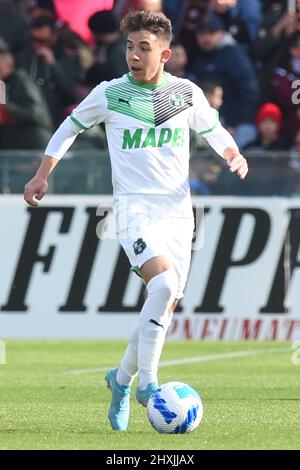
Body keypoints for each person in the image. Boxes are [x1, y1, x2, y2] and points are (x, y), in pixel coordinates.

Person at [24, 10, 248, 431]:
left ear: (165, 54)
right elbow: (68, 128)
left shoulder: (184, 93)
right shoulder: (110, 94)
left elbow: (213, 129)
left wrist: (233, 154)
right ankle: (148, 384)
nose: (133, 54)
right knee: (161, 287)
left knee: (163, 302)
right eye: (130, 46)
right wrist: (42, 173)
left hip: (179, 213)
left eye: (143, 48)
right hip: (133, 209)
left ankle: (120, 380)